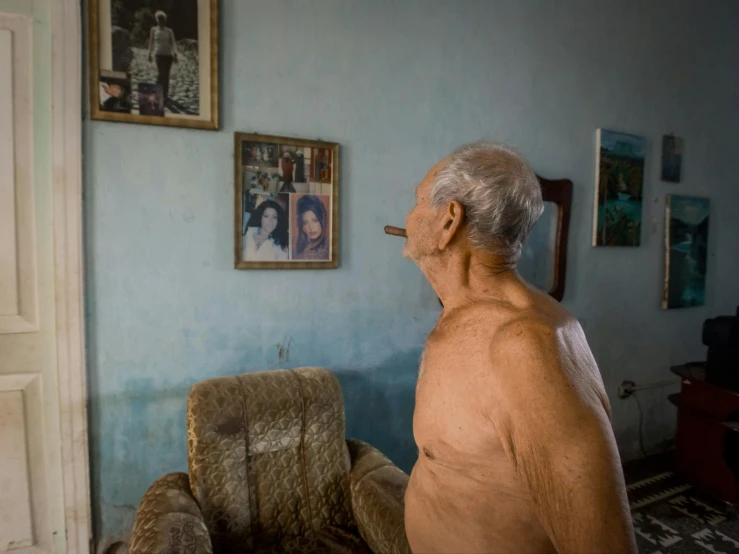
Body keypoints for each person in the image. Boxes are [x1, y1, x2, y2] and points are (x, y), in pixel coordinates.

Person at [402, 141, 636, 554]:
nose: (409, 215)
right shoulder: (465, 313)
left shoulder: (527, 347)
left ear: (448, 221)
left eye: (418, 200)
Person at [147, 10, 177, 102]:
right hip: (158, 54)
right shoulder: (153, 30)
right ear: (157, 20)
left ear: (165, 20)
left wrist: (175, 54)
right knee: (161, 74)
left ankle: (165, 95)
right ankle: (154, 93)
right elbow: (151, 42)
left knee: (166, 76)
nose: (161, 21)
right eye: (159, 19)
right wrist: (149, 54)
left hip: (168, 56)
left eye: (162, 19)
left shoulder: (169, 31)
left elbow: (173, 43)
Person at [293, 195, 329, 260]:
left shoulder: (328, 248)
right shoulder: (297, 249)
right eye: (305, 222)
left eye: (315, 221)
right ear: (303, 228)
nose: (310, 227)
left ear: (323, 220)